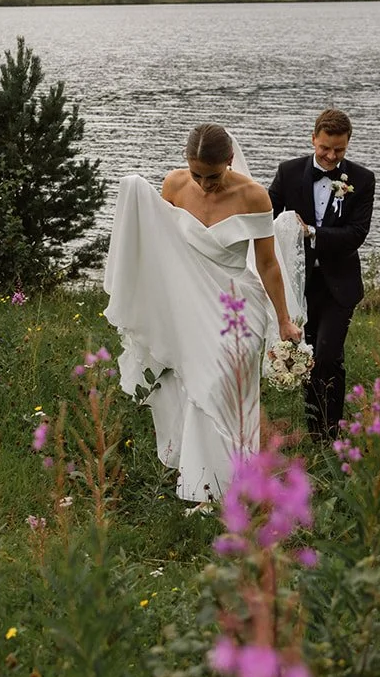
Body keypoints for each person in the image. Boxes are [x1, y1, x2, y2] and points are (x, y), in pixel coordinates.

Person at [104, 123, 304, 502]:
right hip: (189, 299)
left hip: (237, 299)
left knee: (226, 378)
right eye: (197, 174)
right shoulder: (175, 186)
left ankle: (239, 478)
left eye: (212, 176)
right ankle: (202, 487)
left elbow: (268, 265)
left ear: (230, 162)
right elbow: (161, 244)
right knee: (198, 385)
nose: (204, 184)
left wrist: (282, 319)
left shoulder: (255, 197)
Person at [267, 109, 376, 444]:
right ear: (314, 138)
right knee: (310, 355)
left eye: (339, 150)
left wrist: (312, 232)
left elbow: (357, 233)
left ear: (347, 145)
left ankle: (329, 433)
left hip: (339, 285)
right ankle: (320, 431)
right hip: (299, 285)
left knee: (327, 354)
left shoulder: (363, 178)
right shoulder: (288, 172)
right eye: (325, 148)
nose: (331, 156)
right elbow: (266, 217)